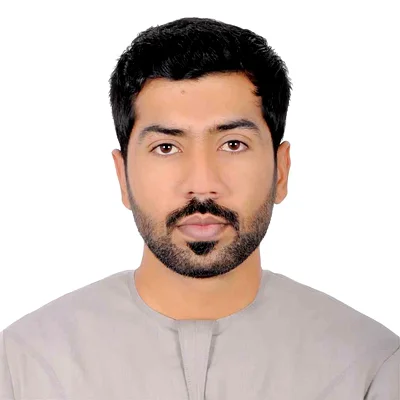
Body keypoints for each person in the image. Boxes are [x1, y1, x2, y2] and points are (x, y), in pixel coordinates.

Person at [1, 17, 398, 399]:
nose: (203, 184)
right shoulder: (22, 367)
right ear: (123, 177)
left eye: (233, 144)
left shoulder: (369, 367)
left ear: (281, 171)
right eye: (166, 147)